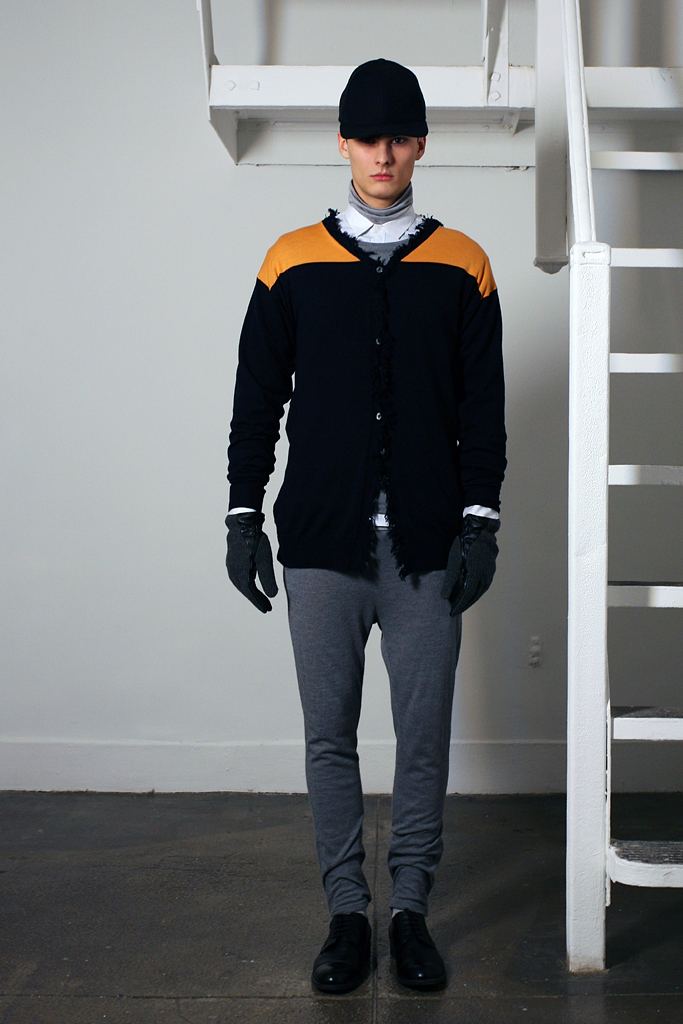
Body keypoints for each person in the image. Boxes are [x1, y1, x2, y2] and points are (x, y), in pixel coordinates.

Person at [225, 58, 506, 994]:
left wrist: (479, 522)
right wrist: (242, 514)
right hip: (320, 543)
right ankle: (347, 914)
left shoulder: (462, 263)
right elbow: (256, 400)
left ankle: (409, 912)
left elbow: (482, 408)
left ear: (419, 144)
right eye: (366, 137)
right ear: (342, 144)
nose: (382, 154)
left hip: (425, 548)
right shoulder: (289, 260)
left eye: (398, 137)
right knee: (328, 735)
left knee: (422, 738)